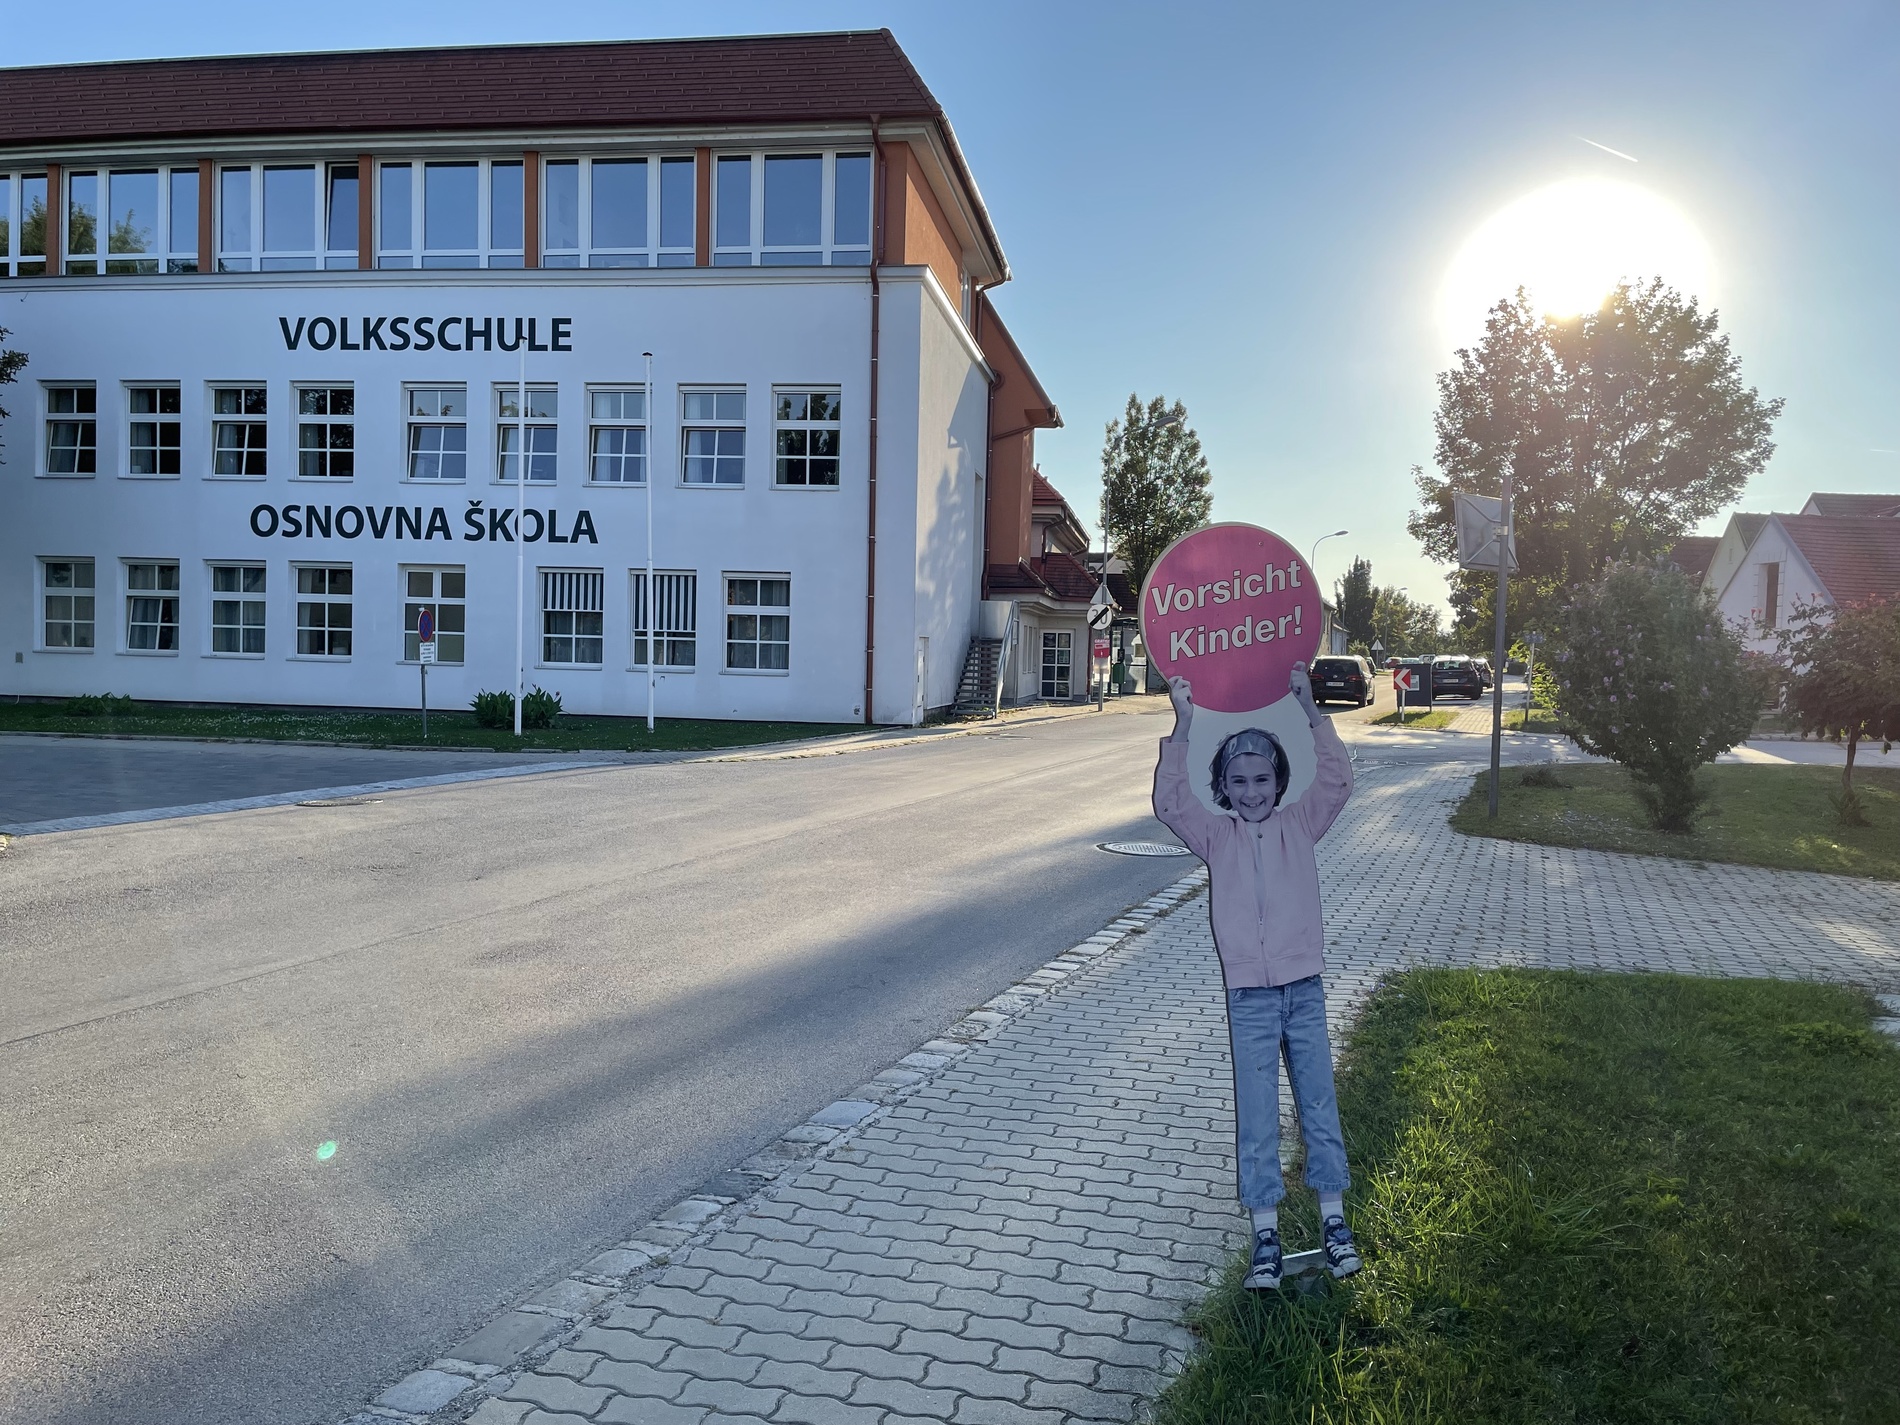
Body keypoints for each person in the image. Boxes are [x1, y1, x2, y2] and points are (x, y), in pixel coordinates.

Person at [1152, 662, 1360, 1291]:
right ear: (1222, 786)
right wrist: (1183, 724)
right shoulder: (1216, 838)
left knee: (1318, 1104)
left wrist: (1310, 709)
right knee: (1258, 1113)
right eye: (1238, 781)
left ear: (1278, 781)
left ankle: (1334, 1224)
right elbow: (1169, 802)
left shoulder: (1301, 823)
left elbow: (1339, 779)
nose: (1251, 792)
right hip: (1249, 996)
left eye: (1262, 779)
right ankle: (1265, 1236)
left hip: (1304, 989)